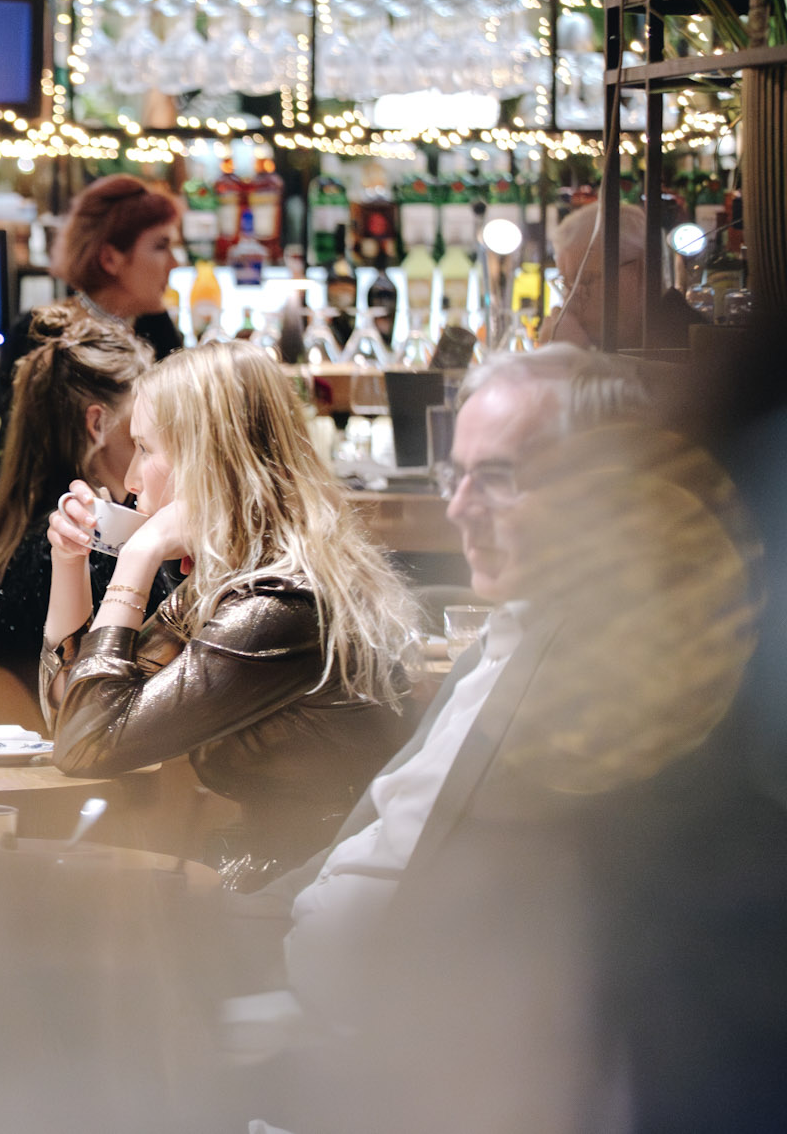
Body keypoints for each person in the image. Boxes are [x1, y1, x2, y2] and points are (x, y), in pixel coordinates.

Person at [274, 344, 755, 1018]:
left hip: (380, 1034)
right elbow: (369, 844)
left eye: (498, 477)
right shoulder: (498, 641)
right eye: (456, 475)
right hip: (299, 967)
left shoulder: (602, 680)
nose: (460, 507)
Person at [43, 342, 418, 890]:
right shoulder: (234, 580)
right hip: (275, 874)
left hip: (318, 891)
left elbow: (86, 744)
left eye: (145, 449)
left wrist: (139, 556)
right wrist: (69, 564)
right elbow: (72, 721)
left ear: (207, 463)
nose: (130, 479)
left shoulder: (280, 603)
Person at [0, 302, 156, 683]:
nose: (154, 440)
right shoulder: (91, 551)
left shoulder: (31, 541)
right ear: (97, 424)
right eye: (142, 435)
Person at [0, 174, 183, 455]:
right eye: (161, 246)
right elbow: (26, 458)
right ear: (109, 259)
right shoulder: (40, 334)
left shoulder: (155, 326)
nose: (174, 263)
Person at [545, 198, 709, 350]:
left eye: (585, 282)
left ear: (640, 272)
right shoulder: (621, 340)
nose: (570, 304)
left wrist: (565, 357)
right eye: (567, 286)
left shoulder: (686, 342)